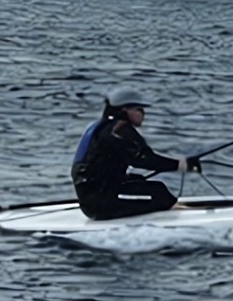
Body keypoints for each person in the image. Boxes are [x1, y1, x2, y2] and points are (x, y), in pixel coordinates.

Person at [72, 89, 195, 220]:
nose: (143, 114)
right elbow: (144, 159)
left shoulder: (105, 127)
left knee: (145, 184)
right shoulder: (120, 131)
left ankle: (173, 207)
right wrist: (181, 165)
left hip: (93, 200)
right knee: (158, 192)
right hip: (100, 205)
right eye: (139, 109)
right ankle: (177, 214)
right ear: (124, 110)